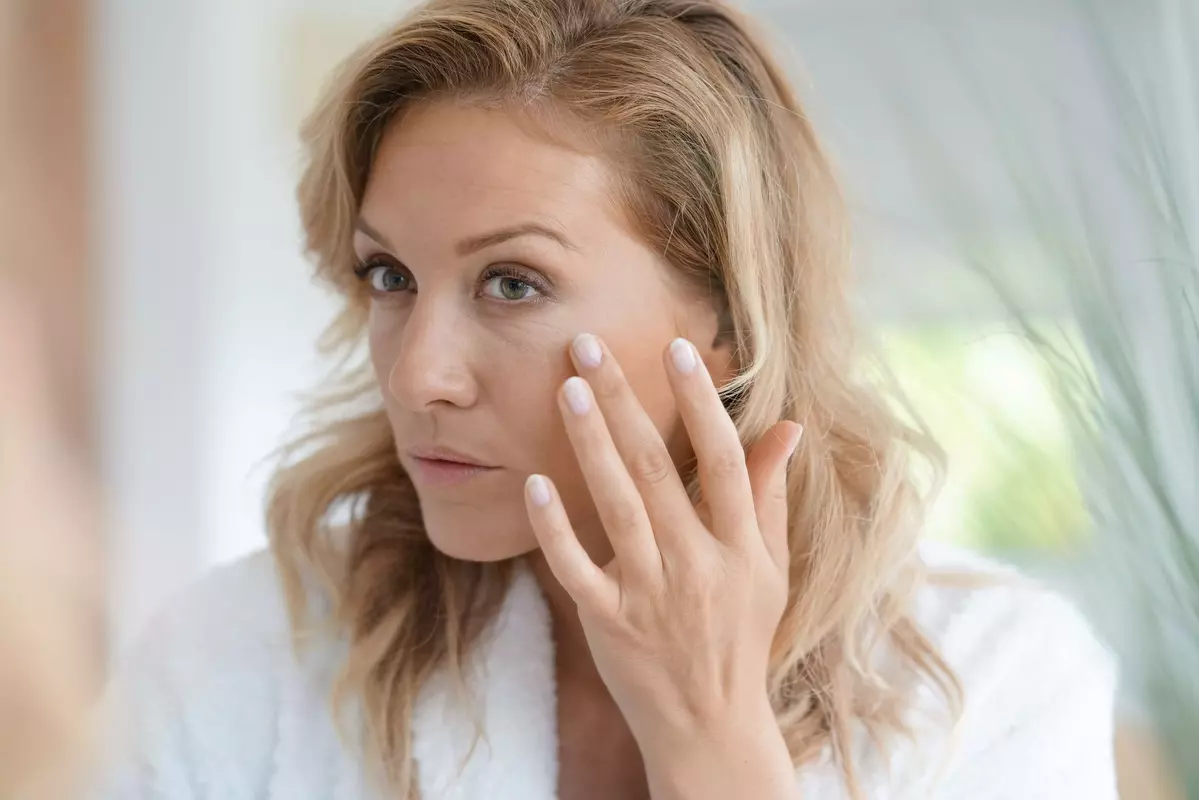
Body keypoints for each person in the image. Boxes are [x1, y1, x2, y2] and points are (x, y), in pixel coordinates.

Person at [91, 0, 1118, 798]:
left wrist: (711, 735)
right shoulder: (238, 656)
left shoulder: (992, 679)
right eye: (389, 276)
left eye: (511, 283)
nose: (416, 375)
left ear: (726, 316)